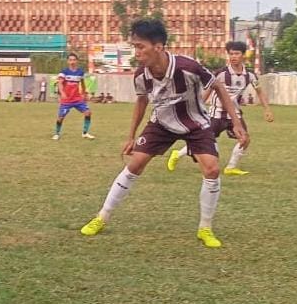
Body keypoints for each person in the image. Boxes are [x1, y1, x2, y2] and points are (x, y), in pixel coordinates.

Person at [79, 19, 248, 249]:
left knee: (212, 168)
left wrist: (236, 122)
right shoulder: (141, 75)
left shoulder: (188, 67)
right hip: (161, 123)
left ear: (158, 47)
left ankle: (205, 228)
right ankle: (102, 217)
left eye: (140, 46)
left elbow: (217, 85)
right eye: (134, 46)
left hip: (196, 123)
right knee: (135, 164)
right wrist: (131, 136)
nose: (136, 52)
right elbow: (141, 101)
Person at [167, 40, 274, 176]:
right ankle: (177, 154)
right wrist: (196, 108)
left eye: (236, 54)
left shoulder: (250, 75)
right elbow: (208, 91)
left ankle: (230, 167)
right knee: (203, 141)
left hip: (234, 114)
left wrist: (267, 109)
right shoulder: (221, 73)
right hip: (216, 114)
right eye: (231, 54)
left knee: (245, 139)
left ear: (243, 55)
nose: (233, 57)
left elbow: (259, 92)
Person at [53, 53, 95, 141]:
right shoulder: (64, 72)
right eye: (70, 60)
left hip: (77, 99)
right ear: (68, 61)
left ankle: (85, 133)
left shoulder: (80, 72)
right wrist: (62, 93)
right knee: (60, 117)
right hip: (67, 99)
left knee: (88, 113)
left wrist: (85, 93)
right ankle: (57, 133)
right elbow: (60, 83)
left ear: (76, 61)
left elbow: (82, 83)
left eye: (74, 60)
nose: (72, 62)